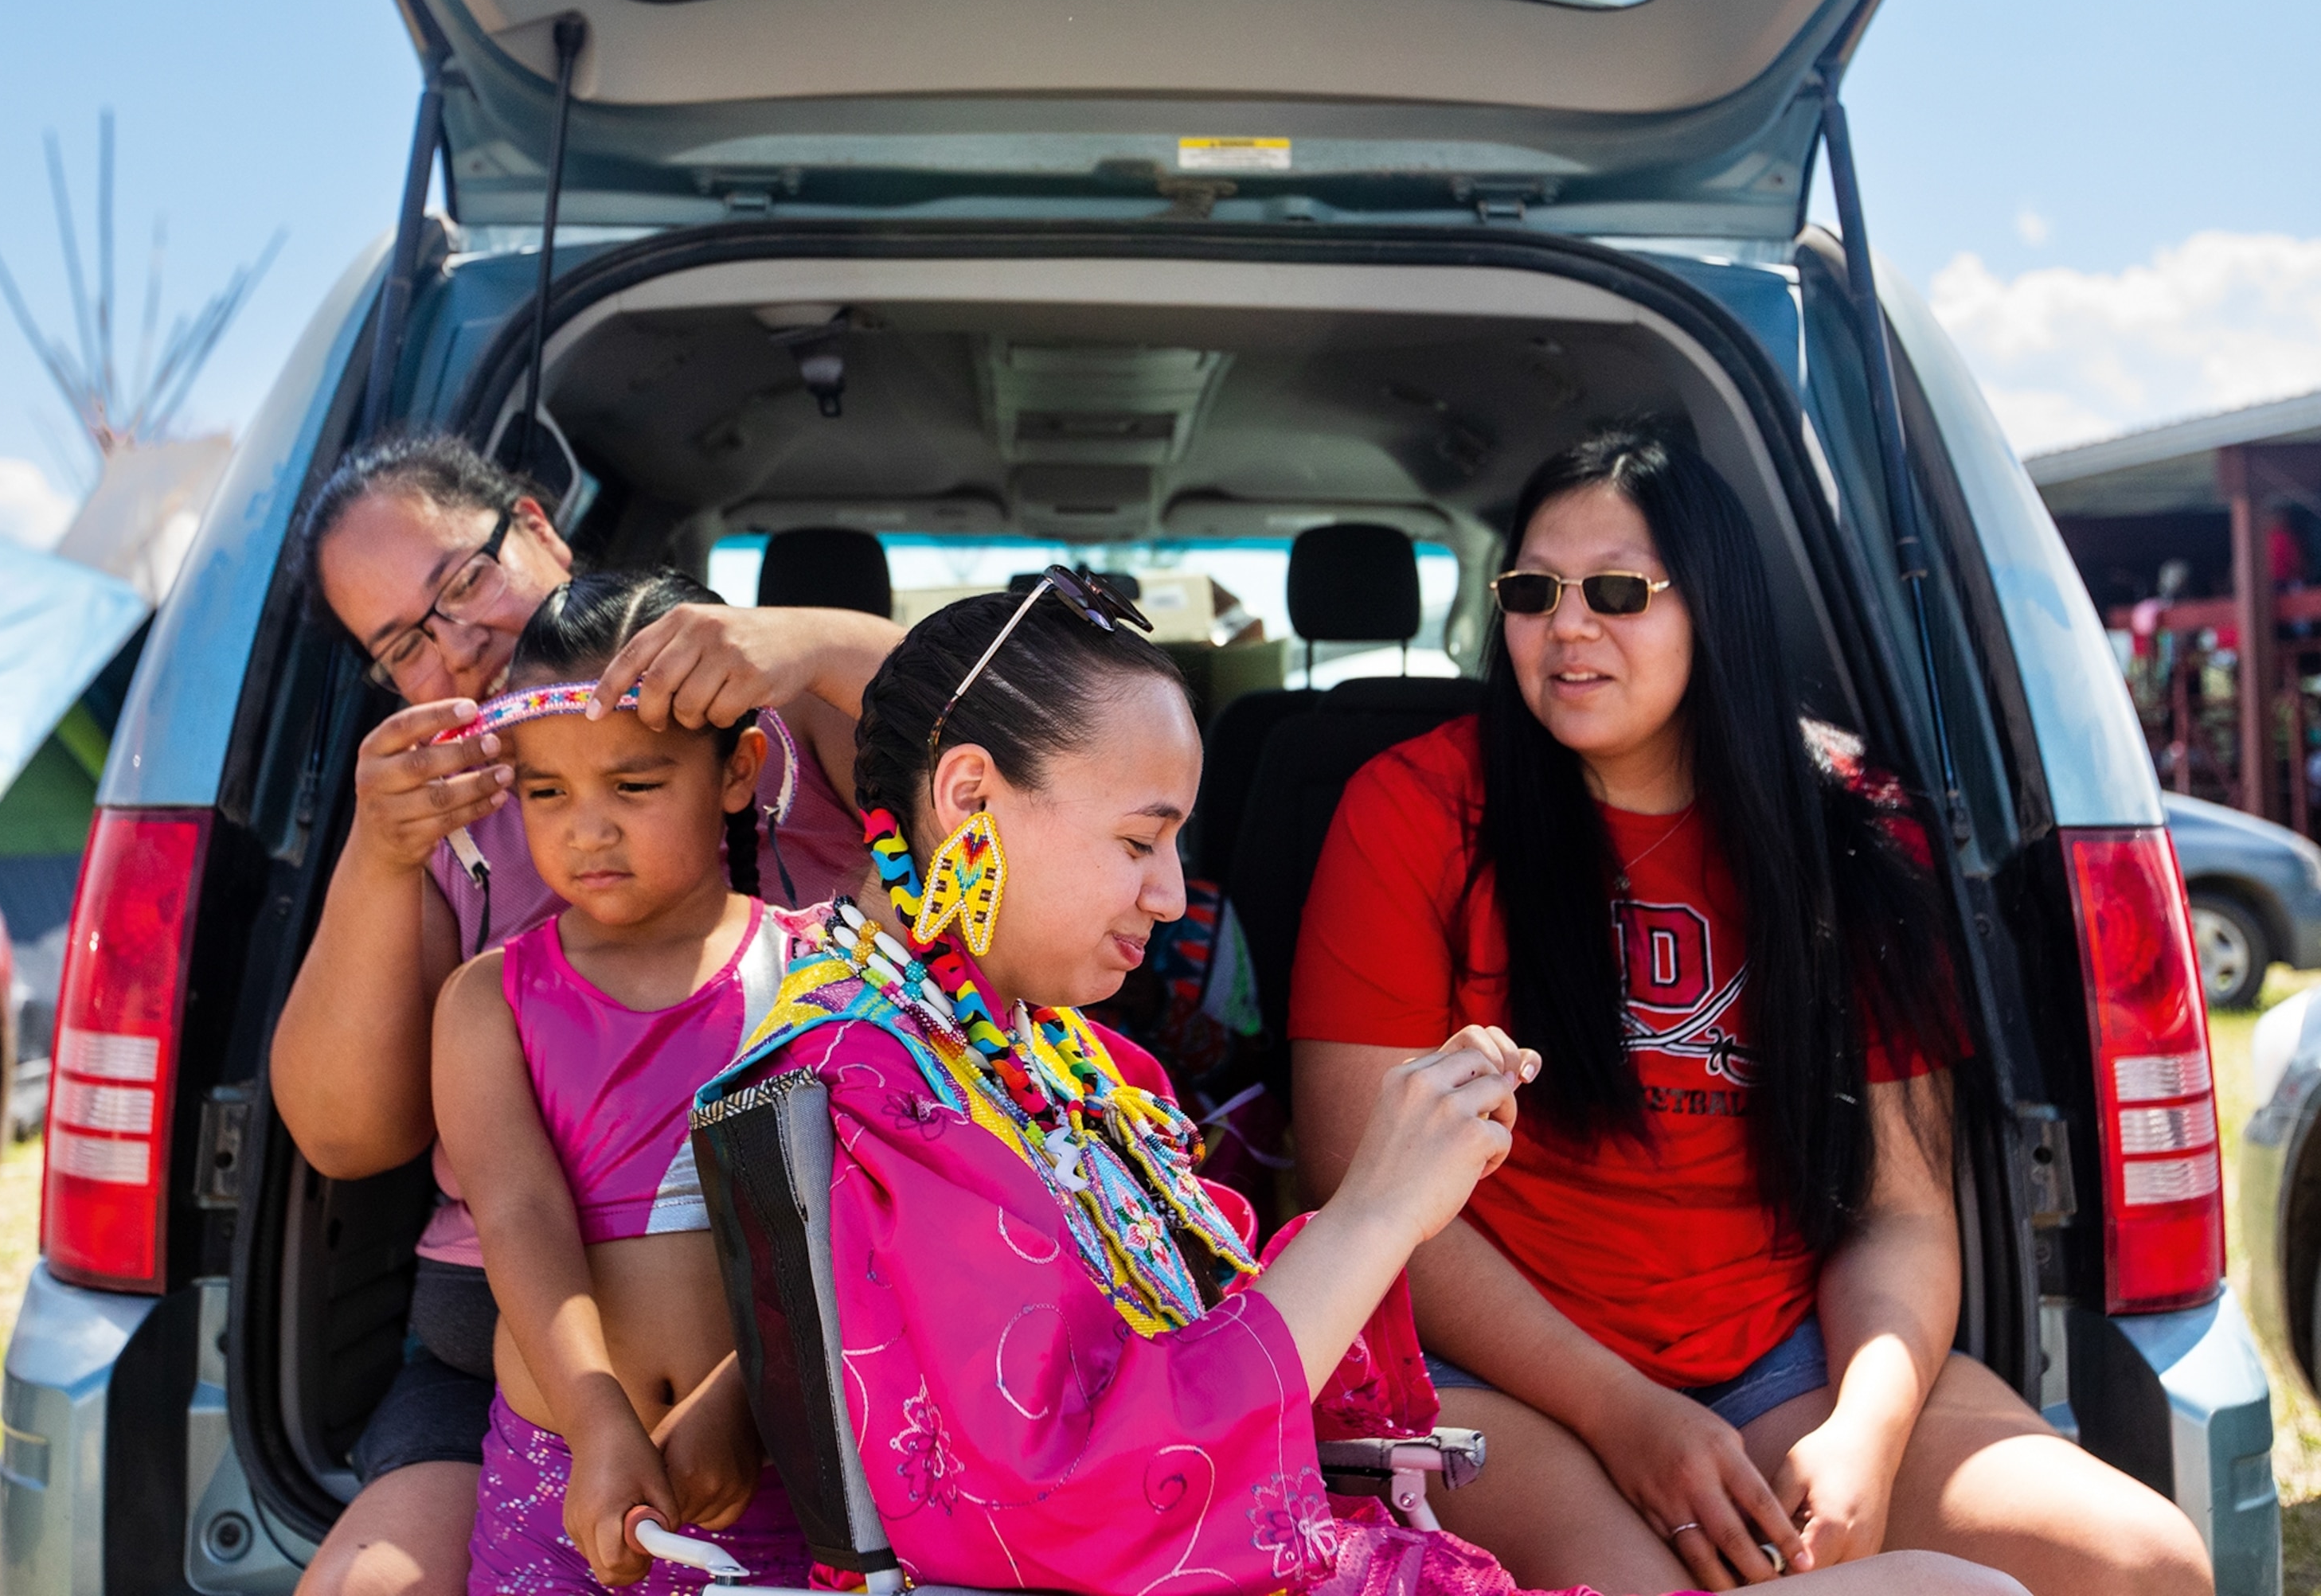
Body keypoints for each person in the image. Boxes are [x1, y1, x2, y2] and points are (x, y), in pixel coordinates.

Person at [698, 572, 2018, 1596]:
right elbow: (1080, 1492)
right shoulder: (882, 1083)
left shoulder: (1044, 1052)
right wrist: (1373, 1210)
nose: (1169, 896)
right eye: (1138, 840)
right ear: (971, 794)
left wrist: (1400, 1178)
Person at [1288, 431, 2210, 1595]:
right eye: (1533, 592)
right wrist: (1623, 1414)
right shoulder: (1415, 810)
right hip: (1499, 1376)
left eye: (1618, 592)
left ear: (1714, 608)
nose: (1568, 626)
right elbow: (1355, 1190)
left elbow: (1903, 1213)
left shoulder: (1851, 834)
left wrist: (1864, 1438)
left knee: (2145, 1565)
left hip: (1789, 1367)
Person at [272, 434, 901, 1596]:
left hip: (812, 1376)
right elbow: (349, 1137)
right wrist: (377, 852)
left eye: (463, 582)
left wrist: (812, 641)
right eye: (403, 644)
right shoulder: (445, 859)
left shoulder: (807, 879)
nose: (461, 643)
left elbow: (1016, 761)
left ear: (538, 526)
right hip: (517, 1388)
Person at [434, 570, 815, 1594]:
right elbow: (517, 1214)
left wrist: (749, 1395)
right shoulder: (489, 1003)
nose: (585, 829)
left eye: (634, 785)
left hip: (799, 1484)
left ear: (737, 771)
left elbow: (858, 1231)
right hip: (561, 1479)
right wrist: (600, 1418)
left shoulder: (824, 975)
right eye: (546, 791)